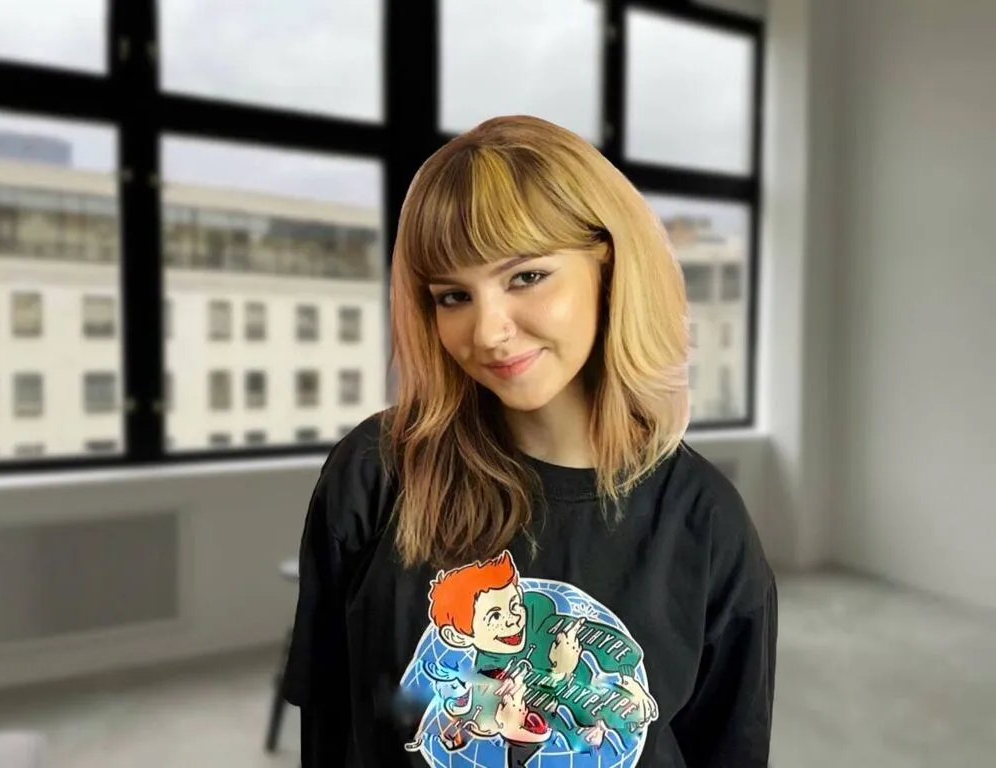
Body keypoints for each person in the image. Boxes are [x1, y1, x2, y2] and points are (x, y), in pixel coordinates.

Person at [283, 114, 777, 768]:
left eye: (526, 277)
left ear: (609, 266)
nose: (488, 332)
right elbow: (331, 724)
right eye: (453, 295)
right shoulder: (375, 473)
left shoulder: (705, 522)